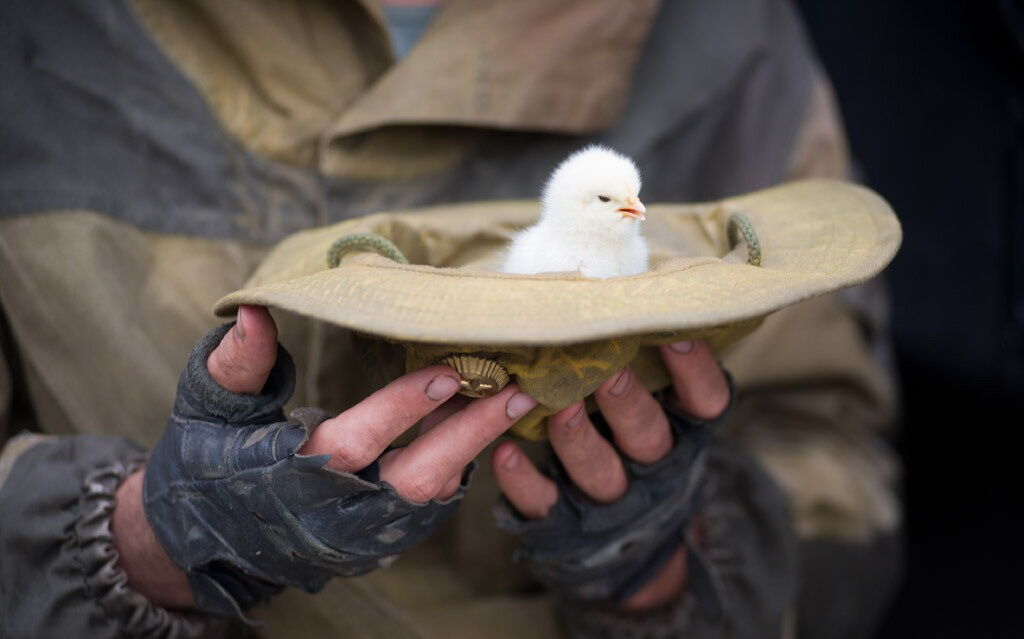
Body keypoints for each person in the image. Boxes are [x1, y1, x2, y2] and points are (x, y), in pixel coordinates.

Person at [0, 1, 901, 637]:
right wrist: (145, 539)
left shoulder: (723, 36)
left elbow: (834, 472)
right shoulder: (38, 34)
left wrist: (665, 572)